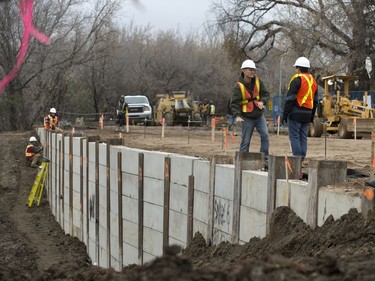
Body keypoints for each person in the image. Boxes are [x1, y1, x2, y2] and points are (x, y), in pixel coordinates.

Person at [230, 59, 270, 158]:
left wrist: (262, 101)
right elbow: (234, 103)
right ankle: (242, 159)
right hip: (247, 116)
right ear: (243, 70)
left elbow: (265, 94)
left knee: (265, 136)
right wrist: (237, 116)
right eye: (250, 69)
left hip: (259, 115)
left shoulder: (258, 81)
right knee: (246, 141)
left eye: (253, 69)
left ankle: (264, 158)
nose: (252, 71)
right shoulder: (238, 86)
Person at [282, 57, 318, 159]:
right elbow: (315, 101)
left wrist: (285, 114)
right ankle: (302, 158)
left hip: (295, 113)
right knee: (303, 137)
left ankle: (297, 159)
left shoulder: (297, 80)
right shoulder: (314, 82)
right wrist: (311, 116)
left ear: (298, 69)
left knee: (294, 137)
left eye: (295, 68)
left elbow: (290, 99)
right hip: (307, 114)